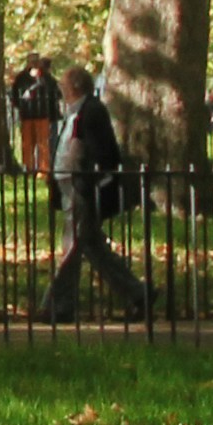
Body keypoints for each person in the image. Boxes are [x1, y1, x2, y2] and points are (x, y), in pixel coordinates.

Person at [32, 67, 151, 324]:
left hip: (81, 189)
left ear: (74, 86)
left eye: (63, 83)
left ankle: (56, 306)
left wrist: (91, 181)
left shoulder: (92, 110)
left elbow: (102, 152)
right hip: (69, 187)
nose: (60, 89)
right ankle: (139, 294)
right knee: (94, 249)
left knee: (72, 247)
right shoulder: (74, 111)